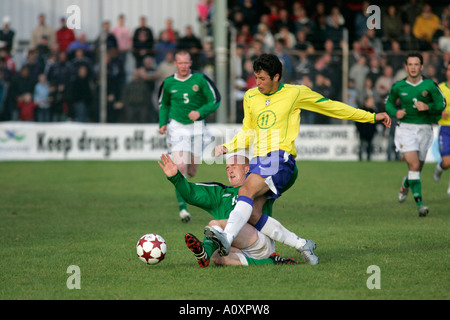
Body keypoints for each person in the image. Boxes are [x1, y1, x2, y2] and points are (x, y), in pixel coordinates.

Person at [208, 53, 391, 258]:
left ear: (276, 77)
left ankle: (227, 237)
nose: (257, 83)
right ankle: (302, 244)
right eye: (256, 78)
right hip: (259, 161)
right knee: (253, 213)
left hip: (280, 158)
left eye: (262, 79)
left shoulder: (296, 93)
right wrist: (229, 146)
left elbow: (331, 107)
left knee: (245, 190)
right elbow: (248, 131)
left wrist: (371, 117)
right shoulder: (250, 97)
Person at [158, 153, 299, 267]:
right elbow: (191, 194)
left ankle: (204, 252)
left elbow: (290, 177)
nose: (229, 170)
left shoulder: (262, 187)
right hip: (235, 247)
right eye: (227, 168)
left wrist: (286, 158)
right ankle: (271, 262)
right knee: (217, 258)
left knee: (215, 224)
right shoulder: (221, 193)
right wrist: (175, 177)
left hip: (260, 243)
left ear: (247, 168)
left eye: (234, 166)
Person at [158, 50, 221, 223]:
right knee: (181, 166)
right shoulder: (169, 82)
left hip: (197, 128)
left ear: (190, 63)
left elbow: (215, 100)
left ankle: (186, 188)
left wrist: (200, 112)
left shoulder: (200, 79)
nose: (183, 66)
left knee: (191, 171)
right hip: (177, 128)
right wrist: (162, 123)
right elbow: (164, 104)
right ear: (175, 64)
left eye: (186, 63)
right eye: (180, 63)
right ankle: (183, 210)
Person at [385, 52, 446, 216]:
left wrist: (428, 107)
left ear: (421, 66)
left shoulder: (430, 85)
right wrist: (395, 113)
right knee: (413, 166)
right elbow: (389, 103)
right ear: (406, 67)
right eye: (410, 64)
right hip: (405, 128)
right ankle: (420, 204)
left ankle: (406, 183)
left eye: (416, 64)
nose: (413, 67)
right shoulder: (399, 86)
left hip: (425, 129)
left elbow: (442, 103)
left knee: (417, 169)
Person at [433, 62, 450, 196]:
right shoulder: (440, 88)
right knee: (447, 162)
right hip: (445, 128)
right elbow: (433, 107)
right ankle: (439, 168)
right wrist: (439, 113)